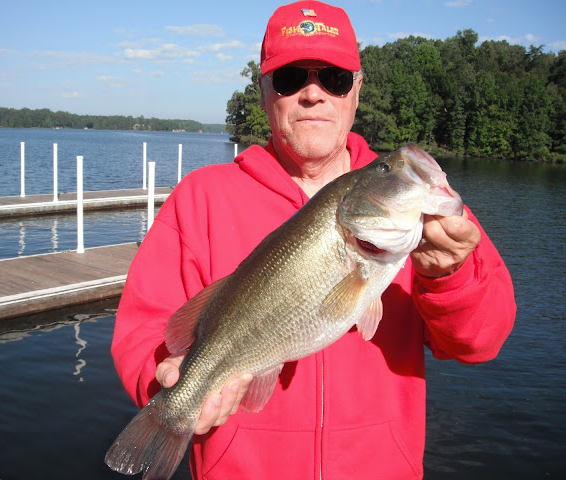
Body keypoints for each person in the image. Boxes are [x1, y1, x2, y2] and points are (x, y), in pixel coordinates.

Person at [111, 1, 516, 478]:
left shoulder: (418, 211)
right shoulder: (201, 197)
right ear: (264, 91)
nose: (312, 94)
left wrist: (449, 276)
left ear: (357, 90)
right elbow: (145, 330)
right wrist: (163, 378)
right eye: (290, 78)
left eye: (334, 79)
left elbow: (481, 342)